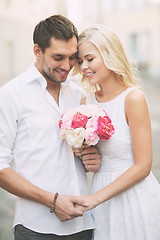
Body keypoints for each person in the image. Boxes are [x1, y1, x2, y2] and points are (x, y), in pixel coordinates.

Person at [0, 15, 101, 240]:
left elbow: (83, 153)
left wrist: (91, 157)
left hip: (83, 224)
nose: (67, 66)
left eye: (72, 57)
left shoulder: (80, 96)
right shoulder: (10, 95)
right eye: (58, 57)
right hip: (35, 228)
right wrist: (53, 202)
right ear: (37, 51)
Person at [73, 24, 160, 239]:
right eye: (80, 60)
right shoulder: (86, 101)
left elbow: (143, 166)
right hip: (102, 199)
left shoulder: (133, 98)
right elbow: (91, 153)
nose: (84, 66)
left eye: (90, 59)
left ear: (109, 54)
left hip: (135, 197)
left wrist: (95, 198)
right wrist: (84, 154)